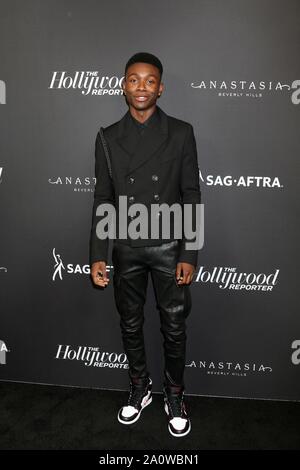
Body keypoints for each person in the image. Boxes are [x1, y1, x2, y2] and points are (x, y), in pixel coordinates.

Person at [89, 52, 201, 437]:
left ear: (161, 87)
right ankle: (140, 388)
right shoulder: (106, 137)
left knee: (174, 325)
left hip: (170, 245)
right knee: (130, 323)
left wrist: (189, 252)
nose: (141, 87)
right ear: (123, 85)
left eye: (149, 80)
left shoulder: (182, 132)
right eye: (134, 80)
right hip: (127, 246)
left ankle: (175, 393)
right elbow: (103, 199)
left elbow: (191, 195)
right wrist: (98, 255)